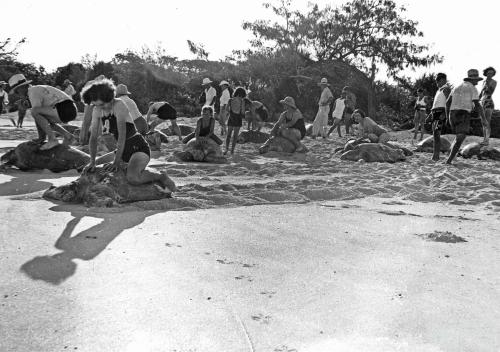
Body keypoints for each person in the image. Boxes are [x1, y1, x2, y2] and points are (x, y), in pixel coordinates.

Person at [81, 78, 176, 190]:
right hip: (121, 150)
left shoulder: (119, 104)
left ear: (109, 98)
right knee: (92, 166)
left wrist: (116, 162)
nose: (99, 108)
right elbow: (93, 138)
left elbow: (122, 136)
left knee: (133, 178)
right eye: (95, 105)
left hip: (138, 149)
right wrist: (92, 161)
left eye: (101, 104)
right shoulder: (97, 109)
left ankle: (161, 176)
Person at [8, 73, 77, 150]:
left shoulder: (33, 92)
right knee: (44, 120)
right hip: (69, 109)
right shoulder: (35, 90)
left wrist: (41, 137)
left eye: (17, 91)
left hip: (65, 108)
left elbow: (36, 112)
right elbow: (41, 118)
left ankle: (52, 139)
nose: (17, 94)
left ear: (22, 87)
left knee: (35, 111)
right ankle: (68, 136)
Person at [446, 69, 485, 165]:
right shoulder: (472, 88)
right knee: (460, 138)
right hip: (463, 114)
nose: (477, 82)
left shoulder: (456, 87)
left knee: (458, 136)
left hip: (452, 113)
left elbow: (447, 103)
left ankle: (451, 156)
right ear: (472, 79)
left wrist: (448, 117)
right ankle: (449, 160)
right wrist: (483, 118)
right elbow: (477, 104)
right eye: (476, 80)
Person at [429, 73, 452, 161]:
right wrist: (430, 114)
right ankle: (435, 155)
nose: (437, 83)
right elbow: (436, 103)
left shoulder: (446, 89)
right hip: (435, 112)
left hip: (440, 112)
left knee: (437, 134)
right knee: (435, 134)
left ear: (443, 80)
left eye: (438, 81)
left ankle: (436, 156)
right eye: (436, 81)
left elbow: (448, 102)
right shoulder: (438, 90)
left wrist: (445, 114)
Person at [79, 75, 106, 145]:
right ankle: (83, 141)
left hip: (95, 105)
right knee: (87, 123)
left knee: (97, 123)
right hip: (90, 104)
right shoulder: (90, 84)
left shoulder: (94, 84)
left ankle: (96, 142)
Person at [224, 87, 248, 155]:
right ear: (241, 94)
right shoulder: (242, 101)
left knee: (228, 135)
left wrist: (231, 112)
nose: (242, 97)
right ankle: (232, 151)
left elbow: (226, 109)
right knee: (235, 136)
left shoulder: (230, 100)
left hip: (231, 118)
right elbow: (243, 112)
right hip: (238, 119)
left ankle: (226, 149)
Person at [479, 67, 497, 145]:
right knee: (483, 122)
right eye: (489, 73)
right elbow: (481, 93)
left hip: (489, 102)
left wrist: (487, 84)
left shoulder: (494, 81)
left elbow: (490, 91)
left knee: (487, 121)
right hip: (482, 102)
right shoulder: (483, 81)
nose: (490, 75)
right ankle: (484, 139)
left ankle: (487, 140)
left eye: (492, 73)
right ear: (486, 73)